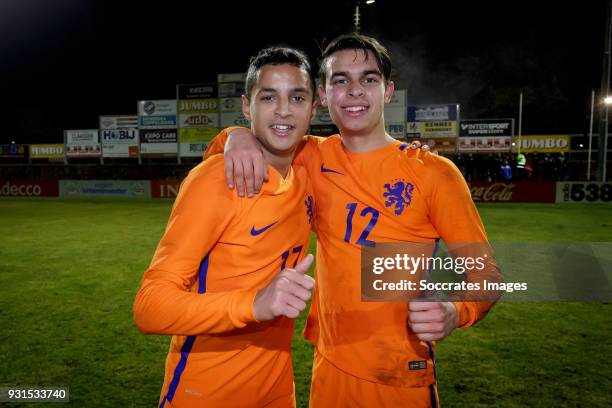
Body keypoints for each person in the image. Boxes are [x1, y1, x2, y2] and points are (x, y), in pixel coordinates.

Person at [206, 33, 501, 407]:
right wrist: (236, 136)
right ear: (323, 96)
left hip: (397, 374)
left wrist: (456, 312)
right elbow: (218, 156)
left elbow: (486, 275)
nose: (355, 91)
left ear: (388, 90)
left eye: (369, 79)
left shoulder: (434, 173)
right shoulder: (310, 155)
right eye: (341, 80)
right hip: (328, 364)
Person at [134, 46, 319, 408]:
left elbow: (369, 157)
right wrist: (253, 303)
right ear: (248, 106)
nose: (283, 109)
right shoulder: (215, 181)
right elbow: (149, 307)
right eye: (269, 97)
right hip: (204, 392)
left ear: (314, 108)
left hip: (278, 390)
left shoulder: (313, 169)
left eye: (296, 97)